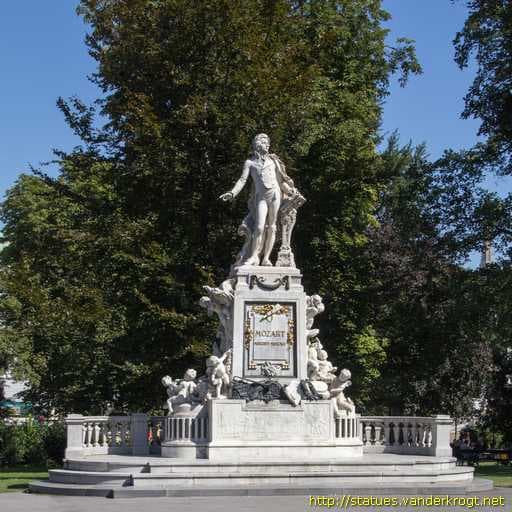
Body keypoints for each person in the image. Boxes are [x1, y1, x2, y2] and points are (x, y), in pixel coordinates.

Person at [220, 133, 297, 266]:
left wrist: (290, 191)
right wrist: (232, 193)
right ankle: (254, 256)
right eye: (264, 142)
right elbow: (242, 180)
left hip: (275, 194)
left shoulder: (274, 161)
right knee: (260, 226)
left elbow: (281, 181)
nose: (268, 144)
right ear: (257, 144)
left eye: (268, 142)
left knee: (272, 227)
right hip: (261, 197)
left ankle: (266, 258)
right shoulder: (250, 163)